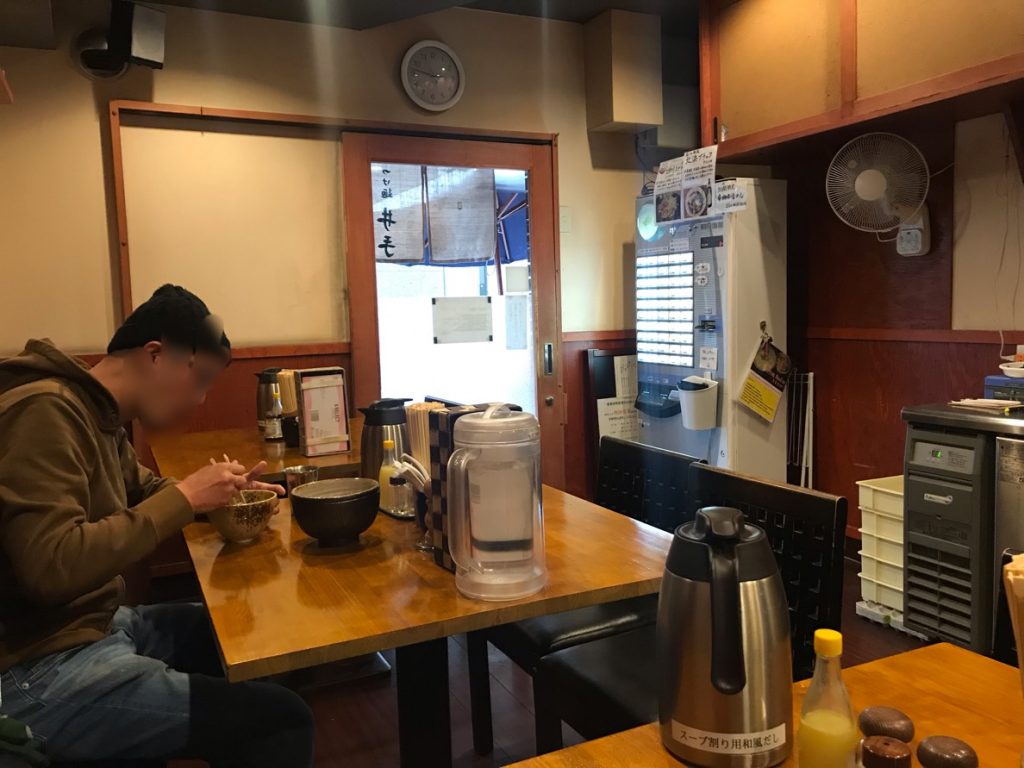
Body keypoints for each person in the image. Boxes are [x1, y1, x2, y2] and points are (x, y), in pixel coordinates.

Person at [0, 285, 315, 767]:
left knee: (250, 641)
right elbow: (51, 567)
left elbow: (148, 490)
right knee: (280, 721)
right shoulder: (46, 411)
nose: (202, 399)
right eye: (200, 379)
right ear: (156, 355)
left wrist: (225, 499)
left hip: (93, 627)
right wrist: (188, 497)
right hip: (35, 666)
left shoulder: (97, 413)